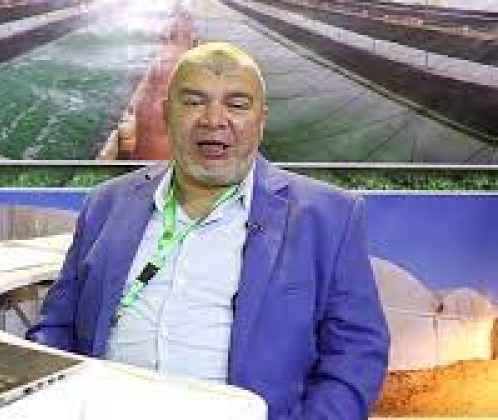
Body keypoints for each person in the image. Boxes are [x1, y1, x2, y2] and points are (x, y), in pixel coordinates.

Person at [27, 42, 390, 419]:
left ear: (261, 120)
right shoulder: (106, 204)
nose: (214, 120)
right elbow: (56, 327)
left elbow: (356, 355)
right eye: (193, 101)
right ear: (166, 113)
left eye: (237, 104)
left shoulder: (329, 217)